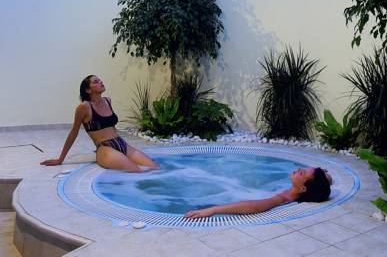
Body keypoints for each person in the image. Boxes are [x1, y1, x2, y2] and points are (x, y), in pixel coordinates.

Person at [41, 75, 158, 172]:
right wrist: (60, 159)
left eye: (100, 80)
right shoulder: (84, 107)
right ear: (88, 90)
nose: (101, 82)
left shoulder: (108, 101)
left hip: (121, 144)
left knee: (155, 168)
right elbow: (73, 132)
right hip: (105, 149)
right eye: (96, 82)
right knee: (137, 171)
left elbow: (110, 127)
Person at [185, 166, 332, 218]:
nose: (299, 169)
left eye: (302, 173)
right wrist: (324, 176)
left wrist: (213, 209)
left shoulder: (284, 198)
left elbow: (254, 206)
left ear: (303, 189)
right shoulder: (303, 189)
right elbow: (328, 180)